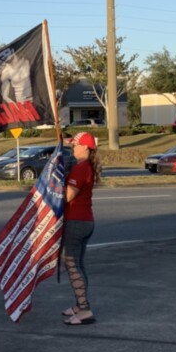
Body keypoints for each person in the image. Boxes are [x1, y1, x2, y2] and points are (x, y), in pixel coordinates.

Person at [62, 132, 100, 326]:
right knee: (78, 263)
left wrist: (56, 185)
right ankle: (80, 304)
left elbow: (68, 196)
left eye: (75, 145)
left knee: (71, 263)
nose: (73, 148)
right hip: (85, 220)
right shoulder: (86, 167)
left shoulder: (81, 168)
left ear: (85, 147)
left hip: (76, 221)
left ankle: (84, 309)